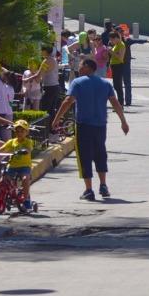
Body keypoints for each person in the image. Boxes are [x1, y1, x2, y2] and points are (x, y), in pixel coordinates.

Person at [52, 57, 130, 201]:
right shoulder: (105, 84)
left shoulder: (77, 82)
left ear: (88, 67)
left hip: (83, 125)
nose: (79, 68)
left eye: (81, 65)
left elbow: (68, 101)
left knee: (84, 156)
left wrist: (56, 119)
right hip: (100, 125)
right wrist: (123, 122)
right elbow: (115, 103)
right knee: (100, 153)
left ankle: (89, 189)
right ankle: (103, 185)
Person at [0, 120, 36, 212]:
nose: (19, 133)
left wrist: (25, 150)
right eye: (17, 131)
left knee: (25, 179)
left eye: (22, 131)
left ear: (26, 132)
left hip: (24, 166)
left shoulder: (28, 142)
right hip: (12, 166)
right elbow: (2, 149)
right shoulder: (12, 141)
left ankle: (26, 199)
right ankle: (2, 199)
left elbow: (29, 149)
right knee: (2, 180)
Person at [117, 29, 149, 106]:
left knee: (127, 83)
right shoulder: (113, 41)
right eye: (119, 32)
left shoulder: (127, 40)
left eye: (122, 32)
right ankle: (120, 101)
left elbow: (136, 40)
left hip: (125, 64)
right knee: (117, 84)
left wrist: (146, 40)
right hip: (117, 64)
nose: (121, 34)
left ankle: (128, 101)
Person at [37, 44, 64, 117]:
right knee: (52, 110)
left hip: (49, 87)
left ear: (45, 51)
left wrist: (28, 79)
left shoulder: (46, 61)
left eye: (42, 50)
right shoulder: (54, 60)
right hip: (56, 87)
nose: (40, 52)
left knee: (45, 109)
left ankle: (46, 127)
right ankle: (51, 127)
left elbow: (39, 75)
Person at [107, 29, 128, 104]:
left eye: (112, 40)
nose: (111, 41)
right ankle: (118, 103)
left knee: (118, 86)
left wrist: (111, 52)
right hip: (114, 66)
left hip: (118, 66)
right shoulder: (116, 45)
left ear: (116, 38)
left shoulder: (121, 45)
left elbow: (120, 57)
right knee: (115, 85)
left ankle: (120, 104)